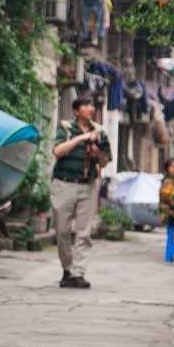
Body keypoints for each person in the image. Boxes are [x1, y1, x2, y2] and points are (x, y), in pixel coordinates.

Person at [52, 94, 112, 288]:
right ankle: (67, 269)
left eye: (92, 105)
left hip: (88, 185)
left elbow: (105, 161)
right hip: (64, 184)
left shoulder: (100, 132)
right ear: (77, 111)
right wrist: (82, 138)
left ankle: (78, 273)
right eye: (86, 105)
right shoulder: (66, 128)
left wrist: (97, 152)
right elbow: (58, 151)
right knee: (62, 230)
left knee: (84, 231)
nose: (91, 108)